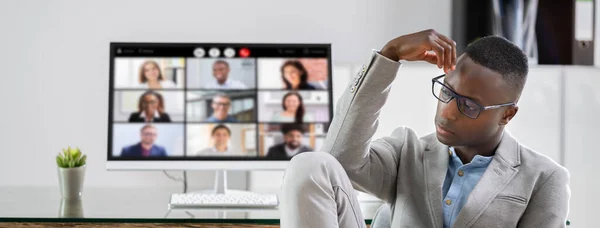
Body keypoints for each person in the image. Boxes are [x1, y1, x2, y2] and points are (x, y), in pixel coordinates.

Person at [280, 29, 570, 227]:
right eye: (447, 92)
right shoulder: (408, 152)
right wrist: (390, 55)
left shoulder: (543, 179)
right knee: (308, 165)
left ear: (507, 115)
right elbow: (339, 159)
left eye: (469, 106)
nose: (447, 112)